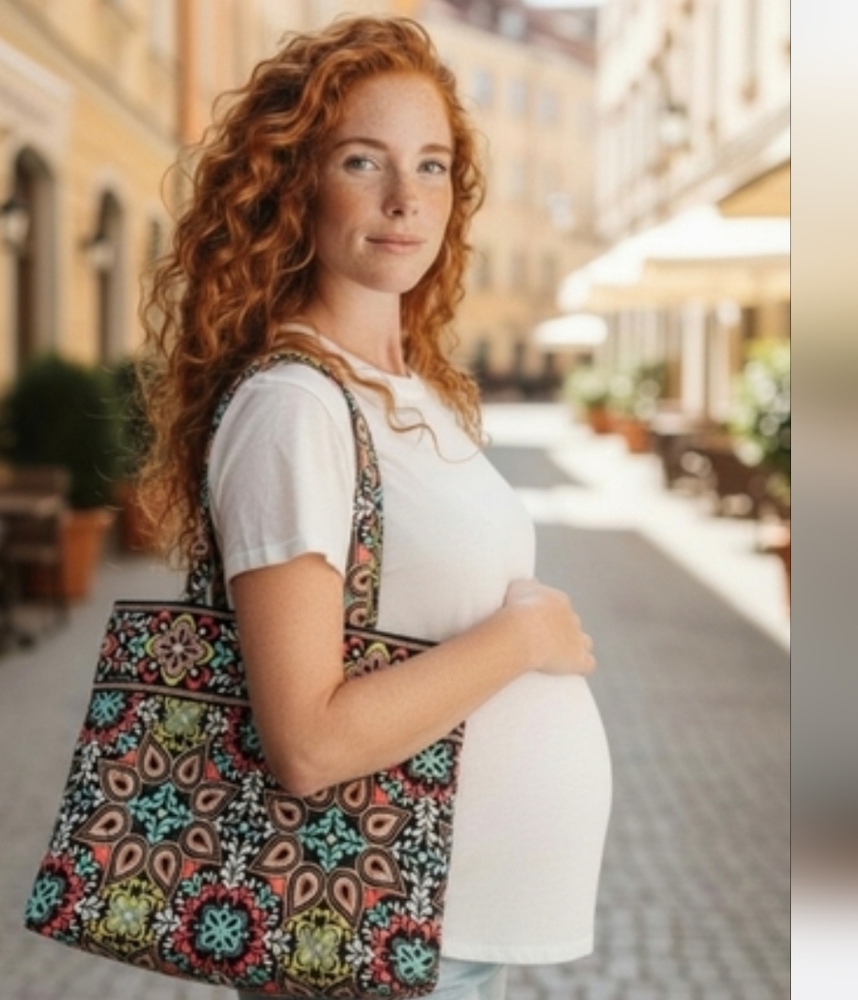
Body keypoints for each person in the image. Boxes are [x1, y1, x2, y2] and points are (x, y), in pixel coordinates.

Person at [140, 17, 611, 1000]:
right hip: (365, 940)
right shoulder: (295, 407)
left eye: (432, 165)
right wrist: (521, 640)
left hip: (436, 944)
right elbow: (307, 743)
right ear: (292, 183)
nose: (407, 199)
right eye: (364, 160)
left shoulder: (405, 389)